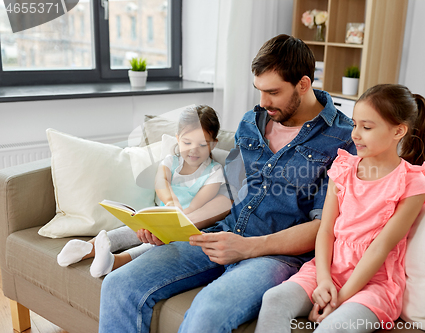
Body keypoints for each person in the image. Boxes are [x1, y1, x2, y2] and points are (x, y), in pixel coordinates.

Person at [98, 34, 355, 333]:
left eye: (273, 92)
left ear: (303, 84)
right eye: (258, 90)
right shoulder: (252, 122)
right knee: (119, 284)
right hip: (221, 235)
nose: (263, 102)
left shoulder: (343, 139)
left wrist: (246, 248)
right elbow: (230, 193)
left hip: (276, 257)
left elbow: (325, 227)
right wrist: (173, 227)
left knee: (207, 314)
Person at [255, 84, 425, 333]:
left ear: (398, 131)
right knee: (274, 300)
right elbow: (326, 230)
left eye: (367, 127)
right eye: (355, 124)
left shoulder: (412, 183)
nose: (355, 135)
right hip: (328, 268)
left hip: (374, 284)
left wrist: (339, 298)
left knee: (333, 328)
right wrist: (325, 278)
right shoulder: (343, 167)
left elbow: (380, 248)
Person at [56, 105, 224, 278]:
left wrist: (179, 215)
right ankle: (86, 248)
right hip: (158, 215)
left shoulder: (214, 171)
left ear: (213, 144)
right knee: (130, 230)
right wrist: (170, 201)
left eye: (202, 144)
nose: (193, 149)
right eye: (187, 142)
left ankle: (113, 262)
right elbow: (161, 181)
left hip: (183, 225)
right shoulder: (171, 161)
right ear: (178, 139)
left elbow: (201, 202)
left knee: (154, 245)